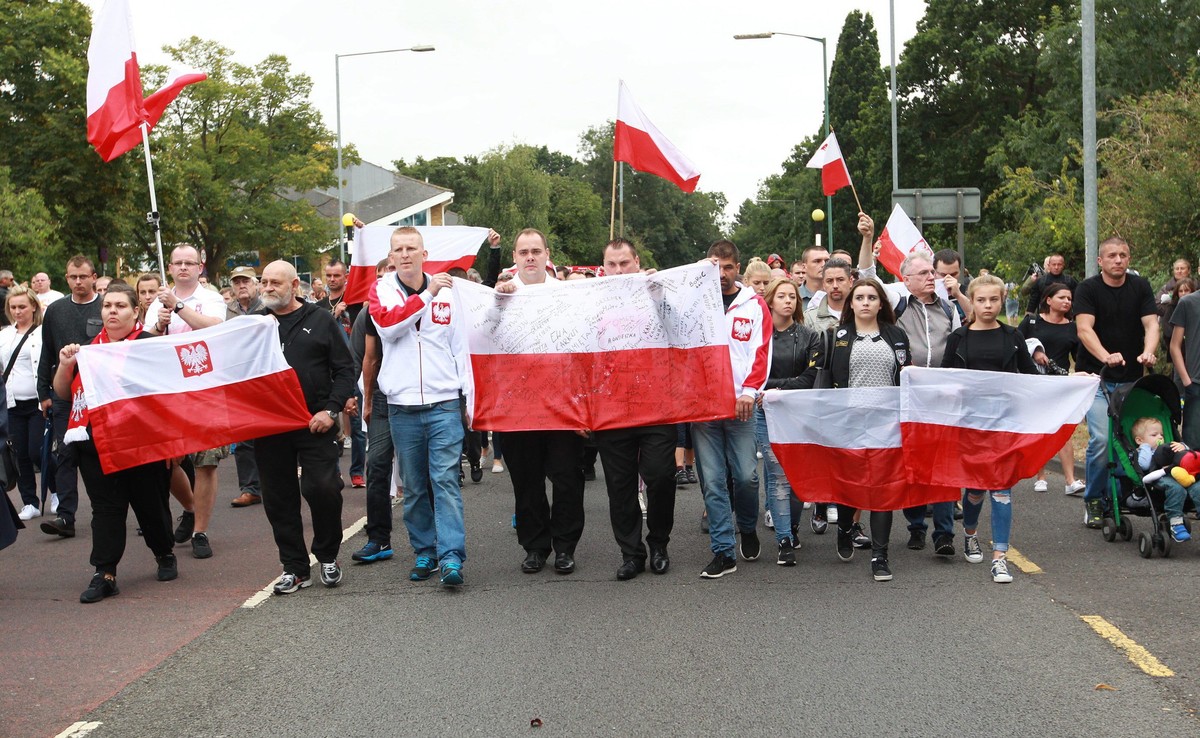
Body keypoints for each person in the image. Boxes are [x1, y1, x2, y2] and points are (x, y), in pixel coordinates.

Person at [53, 283, 176, 603]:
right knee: (106, 509)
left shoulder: (150, 345)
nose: (112, 311)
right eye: (107, 306)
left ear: (136, 312)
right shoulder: (88, 350)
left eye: (120, 306)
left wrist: (171, 445)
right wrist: (66, 365)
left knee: (149, 505)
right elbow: (63, 393)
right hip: (95, 445)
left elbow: (169, 396)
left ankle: (164, 552)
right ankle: (104, 572)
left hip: (142, 444)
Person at [370, 227, 471, 586]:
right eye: (399, 249)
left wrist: (468, 398)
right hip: (403, 407)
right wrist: (427, 294)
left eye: (412, 248)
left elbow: (461, 347)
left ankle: (451, 557)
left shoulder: (450, 293)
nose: (405, 254)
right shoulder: (381, 289)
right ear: (392, 256)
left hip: (443, 403)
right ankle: (425, 551)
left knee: (444, 480)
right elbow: (388, 326)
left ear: (424, 254)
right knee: (413, 487)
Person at [256, 260, 355, 594]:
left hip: (315, 421)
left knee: (323, 488)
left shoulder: (321, 320)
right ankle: (295, 567)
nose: (267, 288)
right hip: (269, 425)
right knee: (278, 498)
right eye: (264, 282)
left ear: (294, 285)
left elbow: (345, 370)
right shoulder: (254, 325)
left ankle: (327, 555)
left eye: (274, 282)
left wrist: (331, 410)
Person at [803, 278, 911, 581]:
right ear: (851, 304)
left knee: (882, 491)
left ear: (881, 304)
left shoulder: (897, 336)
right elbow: (815, 378)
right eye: (859, 297)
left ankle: (880, 555)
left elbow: (908, 379)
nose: (865, 302)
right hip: (846, 423)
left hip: (886, 425)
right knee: (848, 486)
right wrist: (778, 394)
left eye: (871, 297)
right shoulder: (834, 336)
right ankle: (846, 529)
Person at [494, 229, 587, 575]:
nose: (530, 257)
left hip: (561, 406)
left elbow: (582, 348)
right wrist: (495, 302)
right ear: (515, 257)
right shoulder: (499, 295)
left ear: (547, 255)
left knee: (566, 479)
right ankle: (534, 546)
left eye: (536, 251)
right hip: (517, 408)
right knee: (527, 482)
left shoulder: (566, 294)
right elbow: (481, 339)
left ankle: (565, 547)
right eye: (523, 252)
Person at [943, 275, 1040, 583]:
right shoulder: (959, 337)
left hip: (1004, 424)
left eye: (994, 300)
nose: (987, 306)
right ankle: (970, 533)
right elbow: (944, 379)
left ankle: (1000, 556)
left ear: (1002, 301)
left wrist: (1071, 383)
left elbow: (1029, 377)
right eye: (981, 300)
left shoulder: (1012, 336)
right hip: (969, 424)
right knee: (974, 490)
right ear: (971, 301)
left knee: (1001, 487)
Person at [593, 238, 677, 580]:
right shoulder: (592, 300)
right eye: (611, 264)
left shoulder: (656, 291)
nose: (618, 270)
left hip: (656, 405)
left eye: (624, 263)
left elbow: (683, 326)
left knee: (660, 475)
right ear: (603, 266)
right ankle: (631, 553)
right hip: (612, 407)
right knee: (620, 486)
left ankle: (659, 543)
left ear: (637, 262)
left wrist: (659, 293)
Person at [694, 239, 772, 579]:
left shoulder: (754, 305)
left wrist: (750, 391)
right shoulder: (693, 302)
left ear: (737, 267)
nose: (722, 274)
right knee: (712, 481)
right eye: (715, 266)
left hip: (741, 406)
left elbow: (762, 351)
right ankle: (723, 551)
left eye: (727, 267)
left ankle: (747, 525)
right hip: (703, 407)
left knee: (745, 476)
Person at [146, 245, 229, 558]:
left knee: (206, 461)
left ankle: (201, 532)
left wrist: (179, 307)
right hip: (169, 387)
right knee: (167, 460)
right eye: (178, 263)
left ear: (200, 266)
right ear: (170, 267)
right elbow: (146, 341)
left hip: (204, 384)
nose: (183, 268)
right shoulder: (159, 301)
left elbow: (215, 326)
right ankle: (191, 507)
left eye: (189, 263)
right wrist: (158, 323)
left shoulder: (210, 298)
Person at [1076, 237, 1158, 528]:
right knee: (1101, 440)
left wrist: (1149, 351)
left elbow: (1151, 324)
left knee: (1132, 440)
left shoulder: (1140, 287)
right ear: (1101, 261)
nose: (1118, 260)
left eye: (1123, 255)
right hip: (1096, 378)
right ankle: (1094, 499)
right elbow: (1084, 329)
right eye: (1112, 255)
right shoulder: (1088, 289)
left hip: (1131, 382)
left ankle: (1125, 494)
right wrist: (1105, 356)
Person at [757, 277, 822, 565]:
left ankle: (792, 527)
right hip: (764, 411)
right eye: (782, 296)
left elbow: (810, 378)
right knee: (778, 474)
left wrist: (776, 388)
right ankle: (783, 538)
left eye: (793, 296)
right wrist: (768, 389)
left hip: (797, 410)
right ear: (769, 300)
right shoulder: (757, 336)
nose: (788, 301)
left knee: (797, 476)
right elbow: (753, 376)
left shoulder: (809, 336)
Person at [37, 255, 102, 538]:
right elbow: (47, 353)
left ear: (94, 277)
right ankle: (65, 517)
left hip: (100, 391)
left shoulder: (106, 305)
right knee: (65, 453)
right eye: (73, 277)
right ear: (66, 278)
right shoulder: (55, 310)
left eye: (83, 277)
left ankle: (110, 509)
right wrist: (44, 391)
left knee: (101, 451)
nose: (78, 282)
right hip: (64, 391)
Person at [1017, 283, 1084, 495]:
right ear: (1048, 300)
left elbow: (1078, 357)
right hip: (1035, 382)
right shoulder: (1032, 321)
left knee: (1063, 431)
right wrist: (1035, 350)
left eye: (1069, 298)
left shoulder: (1072, 327)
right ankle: (1040, 476)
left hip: (1060, 383)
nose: (1067, 302)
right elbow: (1015, 344)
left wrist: (1082, 376)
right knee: (1040, 429)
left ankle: (1071, 480)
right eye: (1062, 297)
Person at [316, 259, 365, 489]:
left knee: (357, 425)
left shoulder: (356, 303)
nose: (333, 279)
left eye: (337, 275)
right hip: (329, 371)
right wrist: (334, 314)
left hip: (354, 369)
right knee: (331, 423)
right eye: (329, 275)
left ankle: (357, 472)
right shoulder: (320, 307)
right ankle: (335, 473)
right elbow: (318, 334)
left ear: (346, 276)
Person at [2, 286, 44, 520]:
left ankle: (56, 489)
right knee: (20, 454)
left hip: (37, 402)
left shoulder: (42, 332)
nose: (17, 311)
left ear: (33, 307)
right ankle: (30, 502)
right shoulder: (5, 335)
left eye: (22, 307)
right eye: (13, 307)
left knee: (37, 451)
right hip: (12, 403)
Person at [226, 265, 266, 507]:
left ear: (256, 284)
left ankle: (273, 484)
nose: (242, 285)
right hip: (238, 377)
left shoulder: (267, 306)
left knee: (270, 434)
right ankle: (250, 488)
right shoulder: (227, 310)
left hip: (264, 376)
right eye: (237, 282)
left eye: (246, 281)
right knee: (243, 437)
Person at [1133, 417, 1199, 543]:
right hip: (1158, 478)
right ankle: (1176, 524)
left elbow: (1185, 455)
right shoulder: (1144, 451)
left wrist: (1182, 446)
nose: (1160, 437)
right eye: (1154, 435)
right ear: (1139, 440)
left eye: (1161, 434)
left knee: (1197, 487)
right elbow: (1144, 465)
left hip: (1180, 475)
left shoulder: (1167, 447)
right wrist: (1146, 446)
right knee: (1176, 489)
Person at [797, 246, 830, 310]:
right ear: (804, 267)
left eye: (827, 261)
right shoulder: (794, 296)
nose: (824, 264)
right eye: (817, 261)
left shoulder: (837, 294)